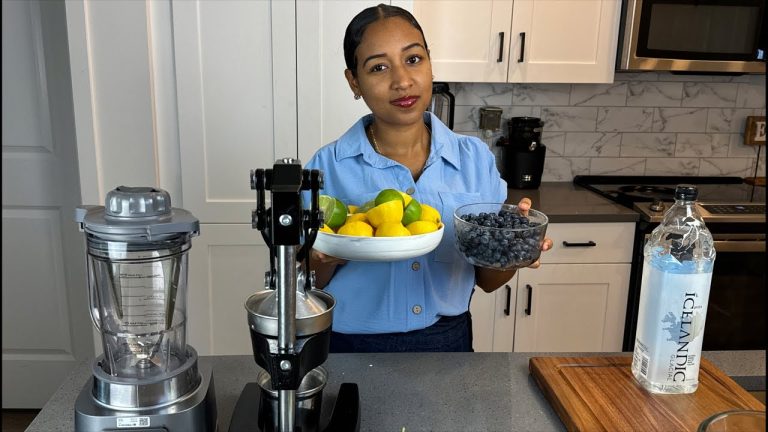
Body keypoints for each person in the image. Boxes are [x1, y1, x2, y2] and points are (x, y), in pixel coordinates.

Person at [305, 4, 553, 353]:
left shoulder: (474, 159)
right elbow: (305, 284)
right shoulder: (326, 167)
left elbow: (488, 282)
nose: (402, 81)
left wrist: (514, 250)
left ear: (430, 63)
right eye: (378, 67)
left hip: (447, 340)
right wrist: (319, 258)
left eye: (413, 59)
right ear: (354, 82)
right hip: (349, 344)